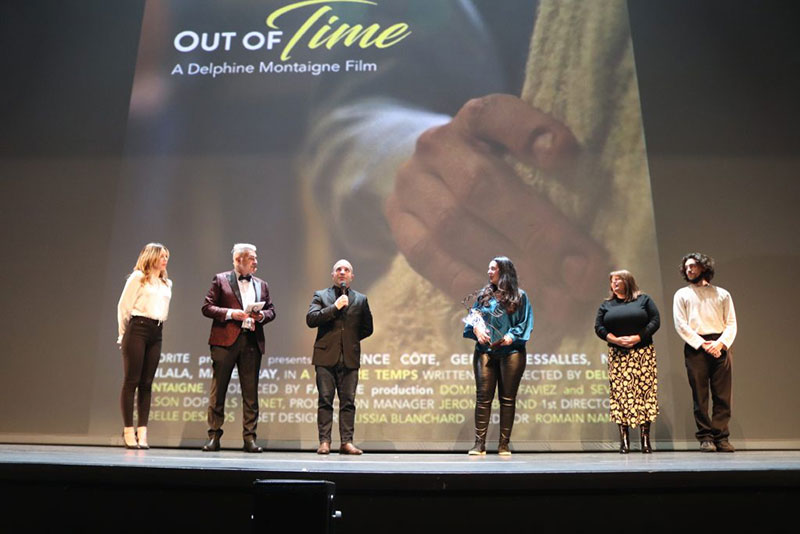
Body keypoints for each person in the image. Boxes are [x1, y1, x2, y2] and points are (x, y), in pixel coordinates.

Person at [201, 243, 276, 453]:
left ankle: (250, 439)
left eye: (255, 257)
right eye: (251, 258)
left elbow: (271, 310)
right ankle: (214, 437)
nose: (256, 261)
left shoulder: (262, 284)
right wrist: (231, 314)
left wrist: (260, 316)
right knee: (219, 391)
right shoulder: (221, 280)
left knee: (251, 394)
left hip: (251, 342)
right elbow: (207, 307)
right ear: (238, 260)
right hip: (225, 341)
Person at [463, 257, 533, 456]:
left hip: (511, 353)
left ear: (504, 271)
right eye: (488, 268)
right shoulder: (484, 295)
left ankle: (504, 444)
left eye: (493, 268)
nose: (489, 272)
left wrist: (510, 337)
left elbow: (524, 322)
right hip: (485, 351)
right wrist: (476, 329)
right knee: (483, 398)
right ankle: (479, 444)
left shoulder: (520, 296)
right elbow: (473, 317)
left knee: (507, 398)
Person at [306, 259, 374, 455]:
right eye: (338, 269)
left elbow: (367, 328)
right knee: (325, 400)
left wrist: (349, 339)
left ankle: (347, 442)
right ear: (333, 275)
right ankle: (325, 441)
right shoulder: (321, 296)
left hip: (349, 357)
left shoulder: (361, 299)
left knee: (348, 402)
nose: (342, 272)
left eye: (346, 270)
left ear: (352, 276)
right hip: (325, 356)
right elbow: (311, 319)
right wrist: (335, 308)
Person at [673, 253, 737, 452]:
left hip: (720, 346)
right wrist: (703, 344)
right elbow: (681, 324)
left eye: (693, 266)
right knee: (700, 395)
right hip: (696, 348)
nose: (689, 269)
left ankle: (721, 437)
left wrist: (720, 344)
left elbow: (732, 323)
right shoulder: (682, 294)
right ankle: (705, 437)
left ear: (704, 267)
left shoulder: (722, 294)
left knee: (723, 395)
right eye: (686, 267)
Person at [594, 270, 660, 454]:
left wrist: (638, 337)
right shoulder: (606, 305)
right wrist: (615, 340)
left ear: (627, 282)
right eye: (612, 281)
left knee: (644, 394)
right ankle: (624, 441)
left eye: (618, 280)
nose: (614, 284)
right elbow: (598, 327)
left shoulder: (643, 300)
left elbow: (655, 321)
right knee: (621, 396)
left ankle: (645, 440)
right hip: (618, 354)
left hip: (642, 353)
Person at [116, 243, 172, 449]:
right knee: (132, 380)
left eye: (166, 256)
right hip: (137, 328)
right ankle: (128, 431)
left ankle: (143, 432)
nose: (165, 259)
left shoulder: (167, 283)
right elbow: (123, 307)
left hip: (156, 331)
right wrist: (123, 334)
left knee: (147, 383)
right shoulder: (138, 278)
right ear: (151, 257)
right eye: (161, 256)